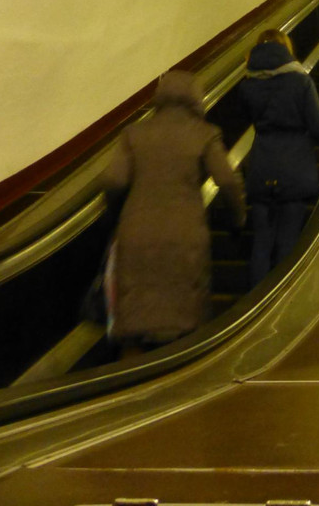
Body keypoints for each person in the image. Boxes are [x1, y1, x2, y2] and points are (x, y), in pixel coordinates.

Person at [102, 70, 246, 354]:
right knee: (185, 317)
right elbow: (227, 180)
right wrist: (237, 218)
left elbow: (113, 180)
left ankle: (128, 385)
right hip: (185, 233)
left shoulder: (134, 134)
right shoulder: (204, 133)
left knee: (136, 315)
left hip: (137, 231)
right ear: (196, 97)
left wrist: (118, 214)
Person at [238, 29, 319, 285]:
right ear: (286, 48)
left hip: (261, 167)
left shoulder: (248, 85)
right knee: (288, 243)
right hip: (294, 168)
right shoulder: (300, 81)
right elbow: (317, 126)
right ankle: (281, 304)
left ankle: (253, 303)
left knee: (261, 243)